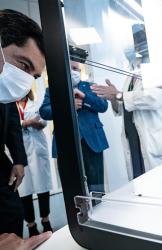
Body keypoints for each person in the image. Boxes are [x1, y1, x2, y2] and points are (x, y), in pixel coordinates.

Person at [0, 9, 46, 238]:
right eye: (23, 65)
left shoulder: (4, 91)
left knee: (11, 213)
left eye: (33, 76)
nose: (25, 82)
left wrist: (18, 160)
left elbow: (12, 124)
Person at [39, 61, 109, 192]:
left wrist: (85, 97)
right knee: (72, 187)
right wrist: (67, 106)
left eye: (76, 68)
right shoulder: (53, 89)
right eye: (70, 68)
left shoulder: (91, 87)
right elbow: (44, 111)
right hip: (66, 142)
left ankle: (98, 208)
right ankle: (77, 212)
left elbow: (103, 106)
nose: (73, 71)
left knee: (96, 186)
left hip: (92, 141)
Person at [91, 77, 162, 180]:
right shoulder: (130, 77)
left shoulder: (155, 69)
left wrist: (118, 95)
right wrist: (114, 99)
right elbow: (124, 107)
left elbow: (153, 98)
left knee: (159, 183)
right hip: (133, 140)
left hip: (154, 141)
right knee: (139, 182)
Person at [16, 90, 53, 237]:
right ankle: (31, 225)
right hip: (19, 149)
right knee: (24, 190)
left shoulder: (36, 104)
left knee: (43, 186)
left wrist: (28, 124)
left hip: (37, 148)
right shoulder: (8, 104)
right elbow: (8, 125)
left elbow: (43, 121)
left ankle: (46, 221)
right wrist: (26, 123)